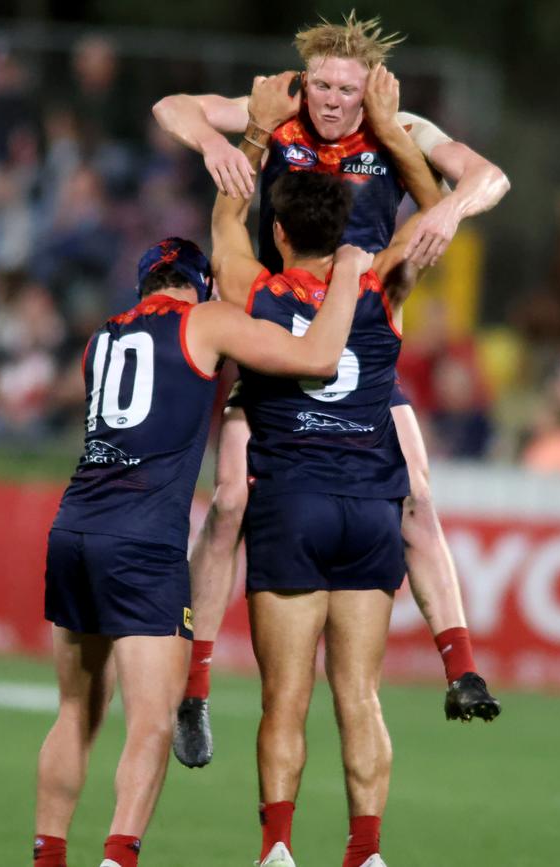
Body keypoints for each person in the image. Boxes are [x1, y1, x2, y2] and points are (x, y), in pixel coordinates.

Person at [153, 12, 508, 768]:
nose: (334, 100)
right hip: (277, 335)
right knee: (229, 504)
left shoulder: (396, 119)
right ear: (304, 78)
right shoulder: (277, 102)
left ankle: (464, 666)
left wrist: (446, 204)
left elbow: (490, 177)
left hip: (363, 338)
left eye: (348, 87)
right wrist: (218, 141)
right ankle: (196, 688)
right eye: (322, 84)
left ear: (367, 85)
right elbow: (170, 107)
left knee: (417, 492)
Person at [33, 229, 368, 867]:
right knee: (153, 723)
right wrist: (349, 272)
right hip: (143, 544)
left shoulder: (101, 337)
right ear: (199, 283)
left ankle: (47, 856)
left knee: (75, 711)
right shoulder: (205, 320)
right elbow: (320, 358)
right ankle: (119, 858)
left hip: (73, 529)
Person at [209, 90, 423, 867]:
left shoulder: (255, 292)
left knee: (285, 698)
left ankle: (277, 849)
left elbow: (223, 225)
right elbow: (427, 222)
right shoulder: (381, 285)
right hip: (370, 506)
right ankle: (365, 852)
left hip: (292, 503)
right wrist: (396, 140)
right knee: (359, 694)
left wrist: (258, 138)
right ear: (343, 232)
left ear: (279, 231)